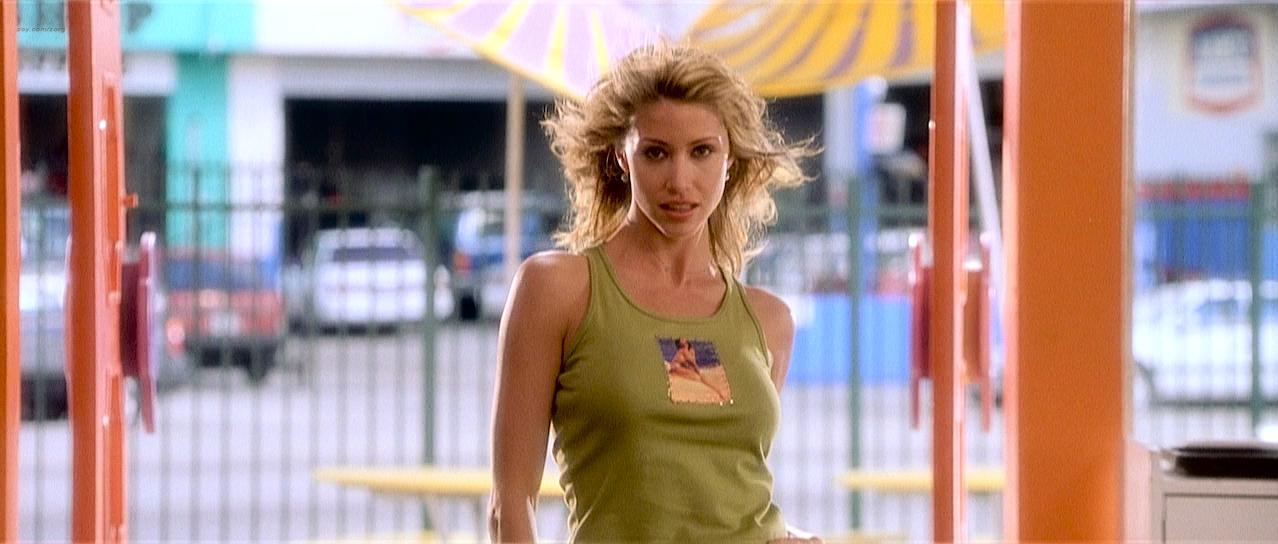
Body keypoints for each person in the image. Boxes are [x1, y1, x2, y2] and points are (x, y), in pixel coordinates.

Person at [489, 42, 818, 543]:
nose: (680, 180)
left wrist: (790, 535)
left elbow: (717, 489)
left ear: (730, 160)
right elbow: (509, 504)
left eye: (702, 151)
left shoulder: (768, 321)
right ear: (622, 157)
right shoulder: (558, 291)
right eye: (656, 152)